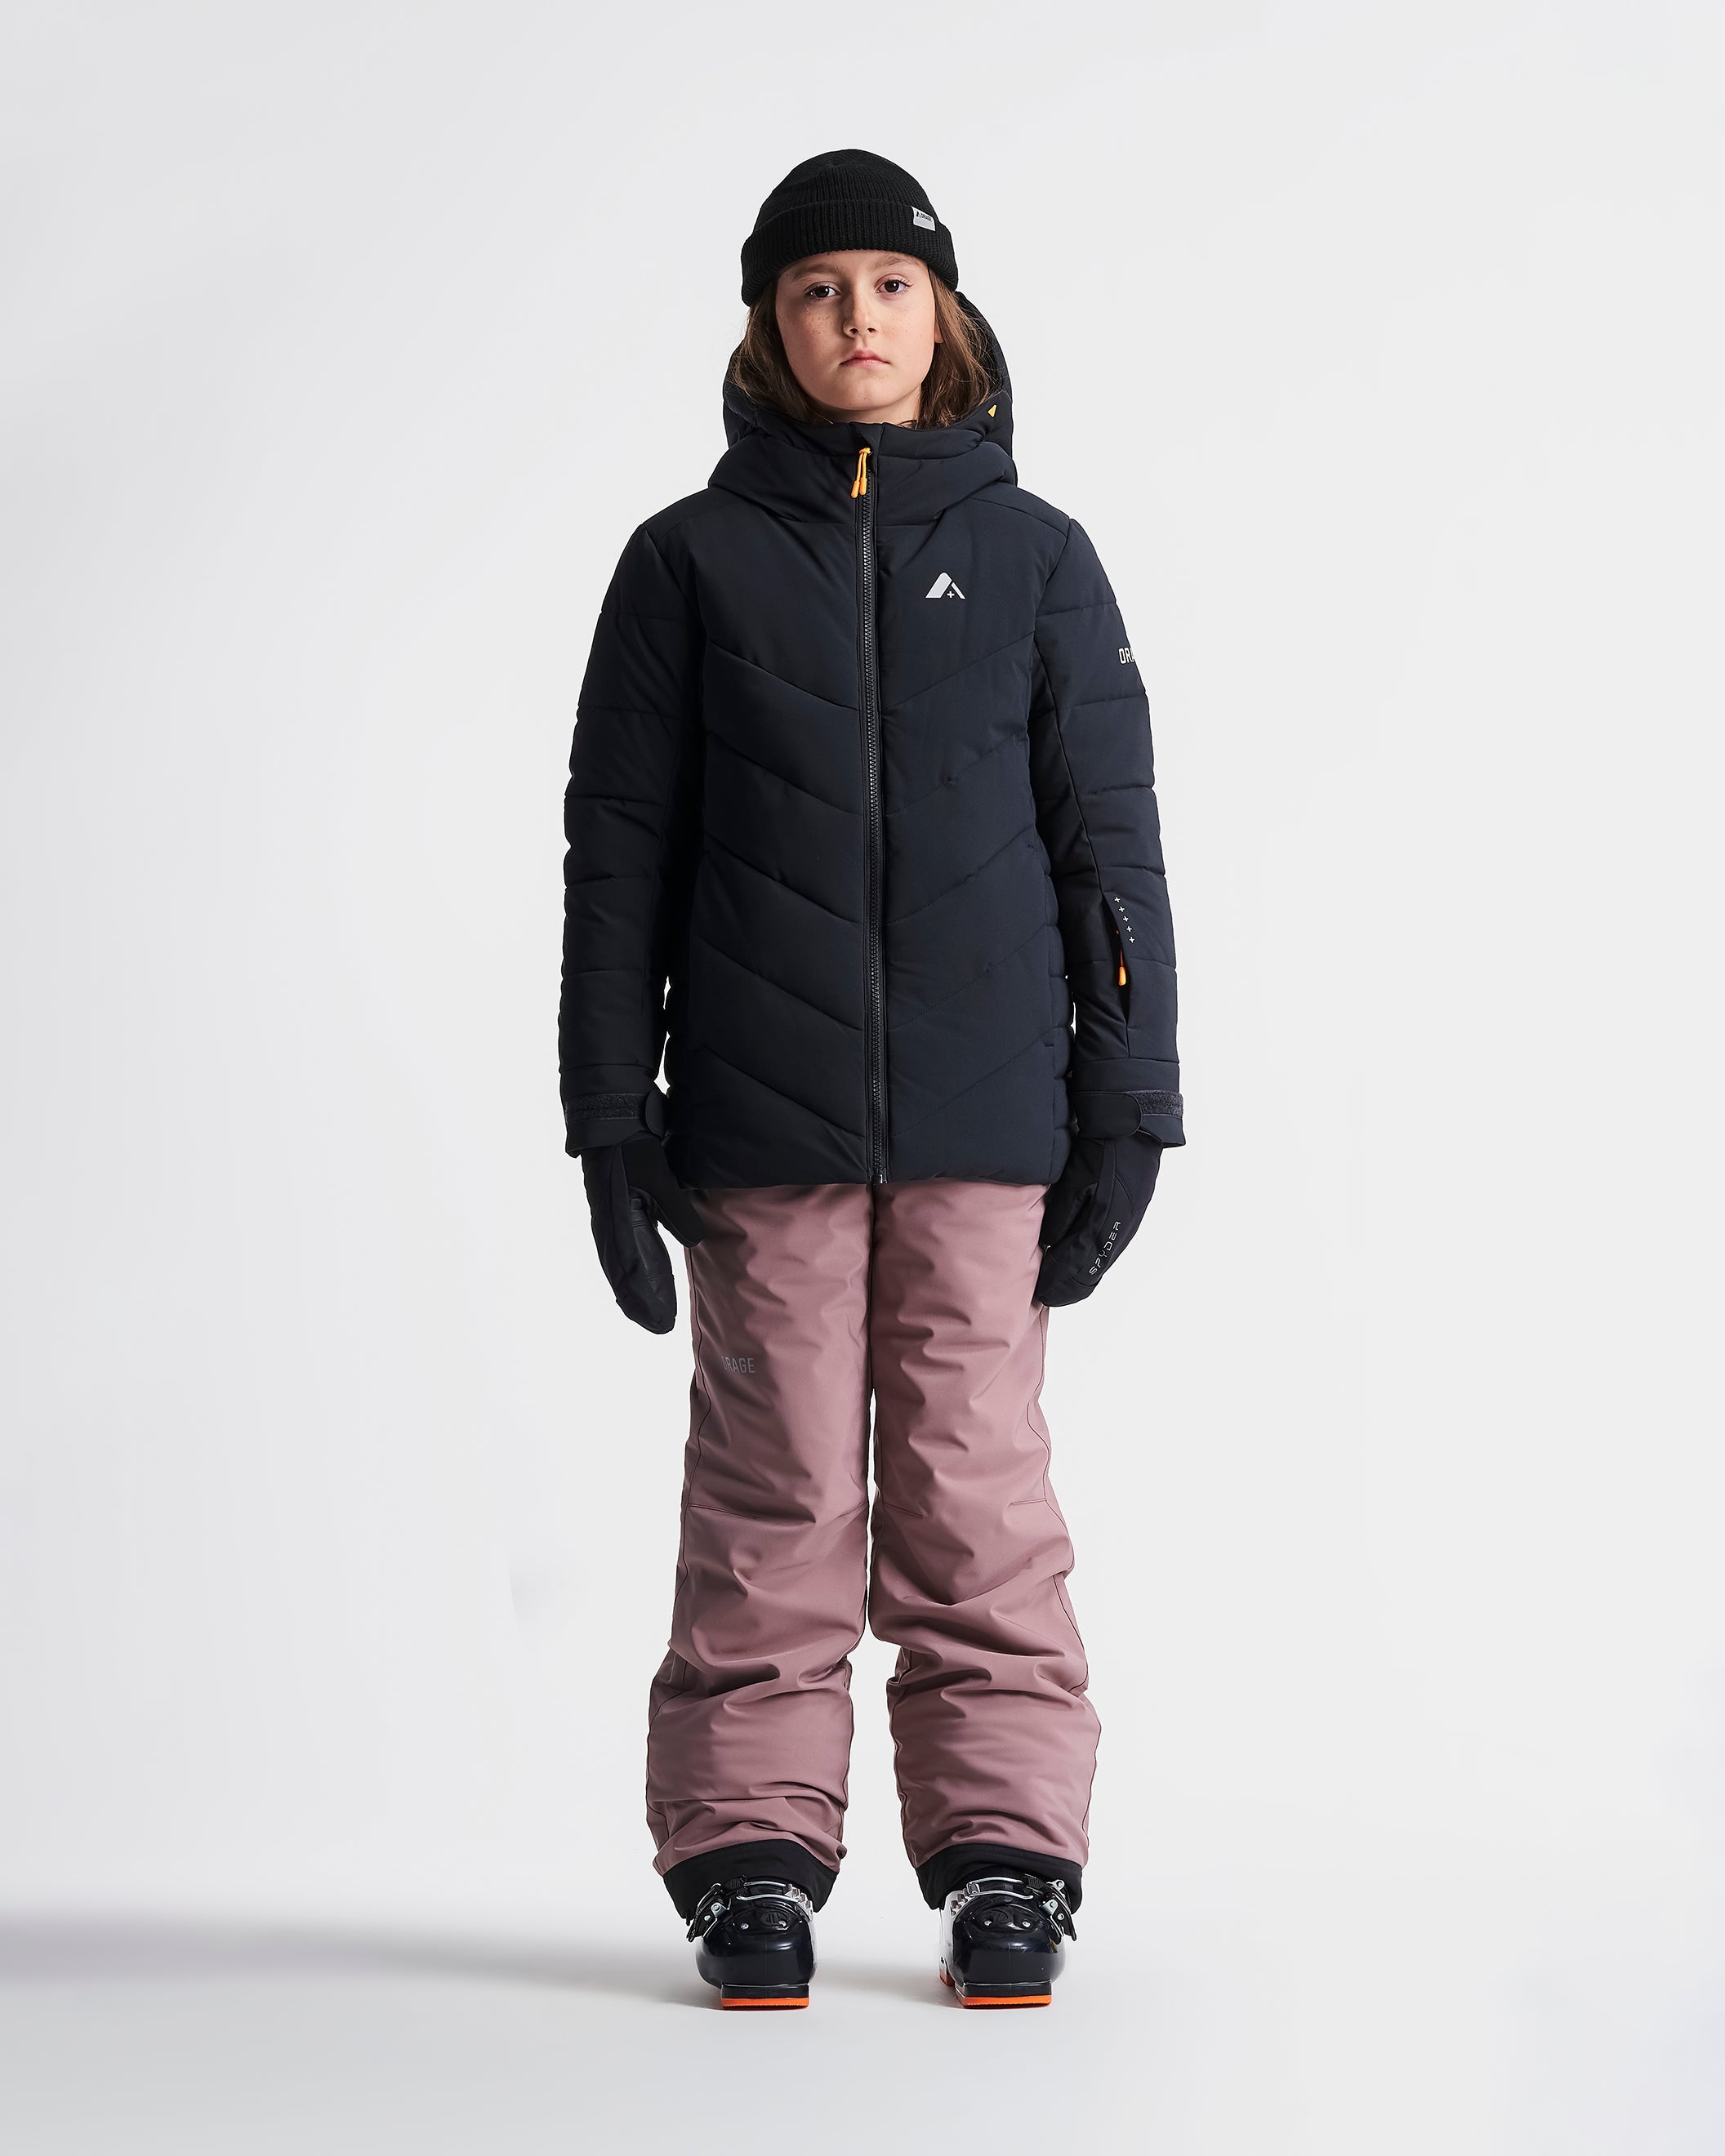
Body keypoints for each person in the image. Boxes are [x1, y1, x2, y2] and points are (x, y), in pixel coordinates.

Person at [559, 149, 1183, 2009]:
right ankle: (749, 1851)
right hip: (762, 1123)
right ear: (771, 322)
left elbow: (1111, 854)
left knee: (976, 1490)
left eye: (892, 287)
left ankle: (1008, 1856)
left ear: (945, 314)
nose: (859, 318)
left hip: (991, 1124)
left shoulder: (1039, 557)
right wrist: (608, 1113)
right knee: (771, 1492)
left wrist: (1131, 1099)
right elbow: (619, 858)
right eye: (819, 289)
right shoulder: (686, 564)